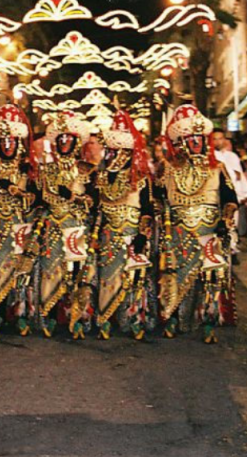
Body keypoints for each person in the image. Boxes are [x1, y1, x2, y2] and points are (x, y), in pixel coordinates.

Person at [156, 105, 238, 343]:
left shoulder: (217, 168)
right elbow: (158, 200)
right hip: (177, 233)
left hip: (210, 231)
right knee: (175, 276)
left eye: (200, 139)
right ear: (181, 141)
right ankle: (172, 317)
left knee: (211, 278)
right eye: (191, 139)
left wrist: (225, 220)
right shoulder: (168, 169)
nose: (196, 143)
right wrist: (162, 221)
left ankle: (209, 322)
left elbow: (230, 199)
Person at [32, 111, 96, 339]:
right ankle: (51, 313)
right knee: (50, 270)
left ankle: (78, 316)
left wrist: (73, 197)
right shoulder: (46, 170)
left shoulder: (87, 170)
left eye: (69, 140)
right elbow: (39, 198)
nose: (65, 144)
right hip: (52, 226)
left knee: (77, 273)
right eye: (61, 140)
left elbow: (92, 201)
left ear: (77, 142)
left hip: (77, 226)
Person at [94, 109, 155, 341]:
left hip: (133, 235)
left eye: (118, 152)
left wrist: (142, 234)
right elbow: (97, 209)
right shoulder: (100, 177)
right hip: (109, 236)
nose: (113, 156)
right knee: (107, 278)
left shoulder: (141, 178)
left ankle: (134, 319)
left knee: (135, 280)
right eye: (110, 151)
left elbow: (148, 210)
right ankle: (105, 319)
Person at [0, 104, 40, 337]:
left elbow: (37, 199)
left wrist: (21, 194)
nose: (7, 145)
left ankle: (19, 315)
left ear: (19, 143)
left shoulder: (29, 169)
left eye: (12, 140)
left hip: (21, 227)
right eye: (3, 141)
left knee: (21, 273)